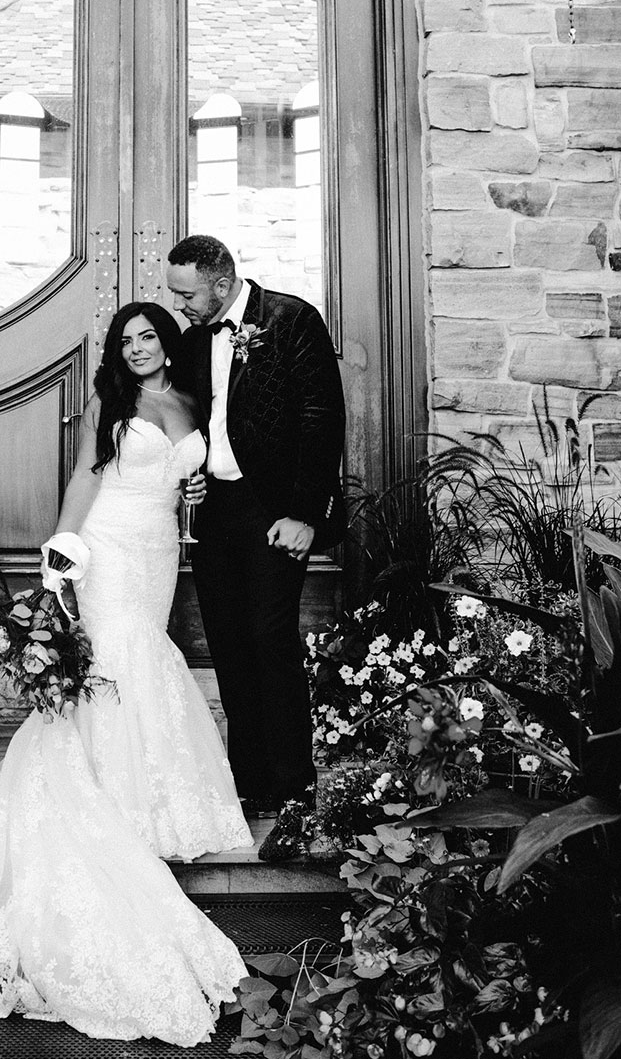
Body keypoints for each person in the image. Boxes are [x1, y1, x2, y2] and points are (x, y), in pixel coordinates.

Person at [0, 300, 252, 1046]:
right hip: (105, 543)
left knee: (143, 658)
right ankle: (100, 790)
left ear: (168, 344)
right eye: (126, 339)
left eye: (148, 337)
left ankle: (147, 792)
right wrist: (62, 550)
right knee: (111, 657)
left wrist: (193, 492)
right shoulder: (112, 397)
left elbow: (190, 478)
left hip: (161, 549)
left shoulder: (192, 399)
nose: (136, 348)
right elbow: (85, 474)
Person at [166, 235, 346, 856]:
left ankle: (296, 787)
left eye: (185, 292)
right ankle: (247, 782)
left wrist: (305, 514)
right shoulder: (194, 337)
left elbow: (323, 416)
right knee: (229, 642)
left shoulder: (291, 319)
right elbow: (198, 417)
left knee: (271, 637)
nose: (178, 304)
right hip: (215, 512)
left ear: (220, 283)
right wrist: (190, 469)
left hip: (275, 511)